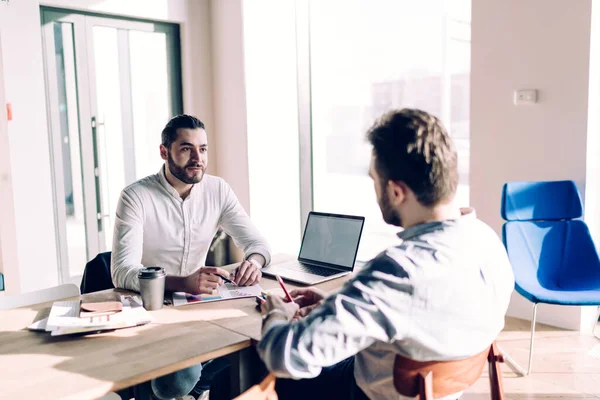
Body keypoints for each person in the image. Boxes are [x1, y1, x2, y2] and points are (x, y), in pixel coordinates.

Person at [255, 109, 515, 400]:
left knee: (256, 362)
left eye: (374, 180)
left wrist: (277, 312)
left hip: (370, 395)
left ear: (396, 191)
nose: (374, 189)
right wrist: (338, 304)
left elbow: (285, 357)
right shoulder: (487, 241)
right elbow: (423, 313)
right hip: (442, 392)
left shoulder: (398, 269)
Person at [111, 114, 271, 400]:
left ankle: (198, 387)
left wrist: (254, 262)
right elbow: (122, 271)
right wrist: (182, 282)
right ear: (164, 152)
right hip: (153, 311)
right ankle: (191, 386)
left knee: (265, 333)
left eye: (203, 149)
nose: (197, 158)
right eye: (186, 149)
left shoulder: (217, 189)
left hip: (201, 306)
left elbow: (258, 243)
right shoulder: (136, 196)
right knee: (177, 380)